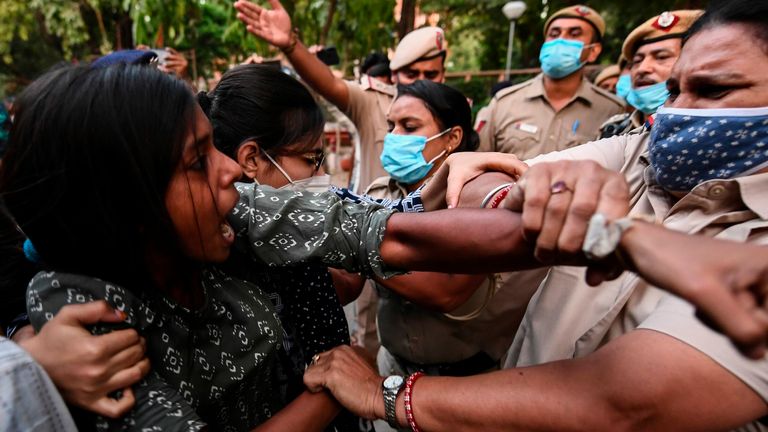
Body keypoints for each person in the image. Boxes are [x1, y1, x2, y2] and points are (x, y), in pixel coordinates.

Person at [1, 62, 623, 430]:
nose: (231, 172)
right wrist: (336, 391)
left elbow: (390, 232)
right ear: (124, 206)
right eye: (197, 161)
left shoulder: (236, 211)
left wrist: (592, 230)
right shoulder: (79, 307)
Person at [306, 1, 768, 429]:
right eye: (673, 91)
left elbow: (624, 403)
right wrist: (515, 194)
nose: (676, 113)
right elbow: (492, 176)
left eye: (714, 90)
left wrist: (388, 397)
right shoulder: (639, 151)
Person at [234, 0, 449, 192]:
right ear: (395, 75)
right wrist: (291, 44)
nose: (422, 81)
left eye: (431, 74)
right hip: (375, 228)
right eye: (411, 74)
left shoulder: (454, 114)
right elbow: (330, 84)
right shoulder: (372, 101)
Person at [478, 5, 624, 160]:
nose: (561, 40)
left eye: (574, 34)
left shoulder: (613, 111)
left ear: (593, 51)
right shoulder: (504, 103)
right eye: (554, 34)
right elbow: (476, 163)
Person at [599, 10, 702, 138]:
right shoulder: (614, 128)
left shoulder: (705, 131)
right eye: (637, 61)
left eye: (661, 57)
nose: (642, 69)